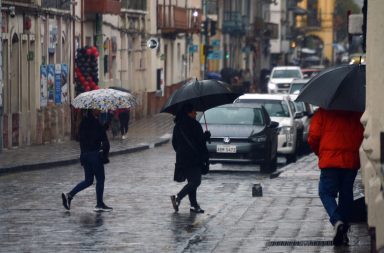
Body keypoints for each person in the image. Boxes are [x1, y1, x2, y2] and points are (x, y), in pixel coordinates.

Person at [307, 108, 364, 246]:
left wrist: (321, 153)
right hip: (350, 161)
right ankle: (343, 231)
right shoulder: (357, 112)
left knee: (325, 192)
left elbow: (313, 137)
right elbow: (363, 135)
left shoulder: (323, 112)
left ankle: (337, 221)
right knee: (346, 194)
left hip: (330, 161)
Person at [61, 109, 112, 212]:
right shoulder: (94, 123)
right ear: (93, 110)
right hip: (94, 155)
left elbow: (85, 137)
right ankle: (99, 204)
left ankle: (69, 195)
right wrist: (105, 127)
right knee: (100, 179)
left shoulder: (83, 122)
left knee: (88, 180)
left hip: (84, 155)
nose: (100, 110)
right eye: (98, 108)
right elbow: (100, 138)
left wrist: (103, 127)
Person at [170, 104, 210, 213]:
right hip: (194, 158)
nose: (196, 113)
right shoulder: (195, 125)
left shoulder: (177, 126)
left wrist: (181, 152)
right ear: (188, 113)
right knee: (196, 181)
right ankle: (178, 198)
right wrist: (206, 136)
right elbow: (200, 142)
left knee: (192, 181)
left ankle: (193, 205)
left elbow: (174, 143)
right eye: (194, 111)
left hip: (182, 159)